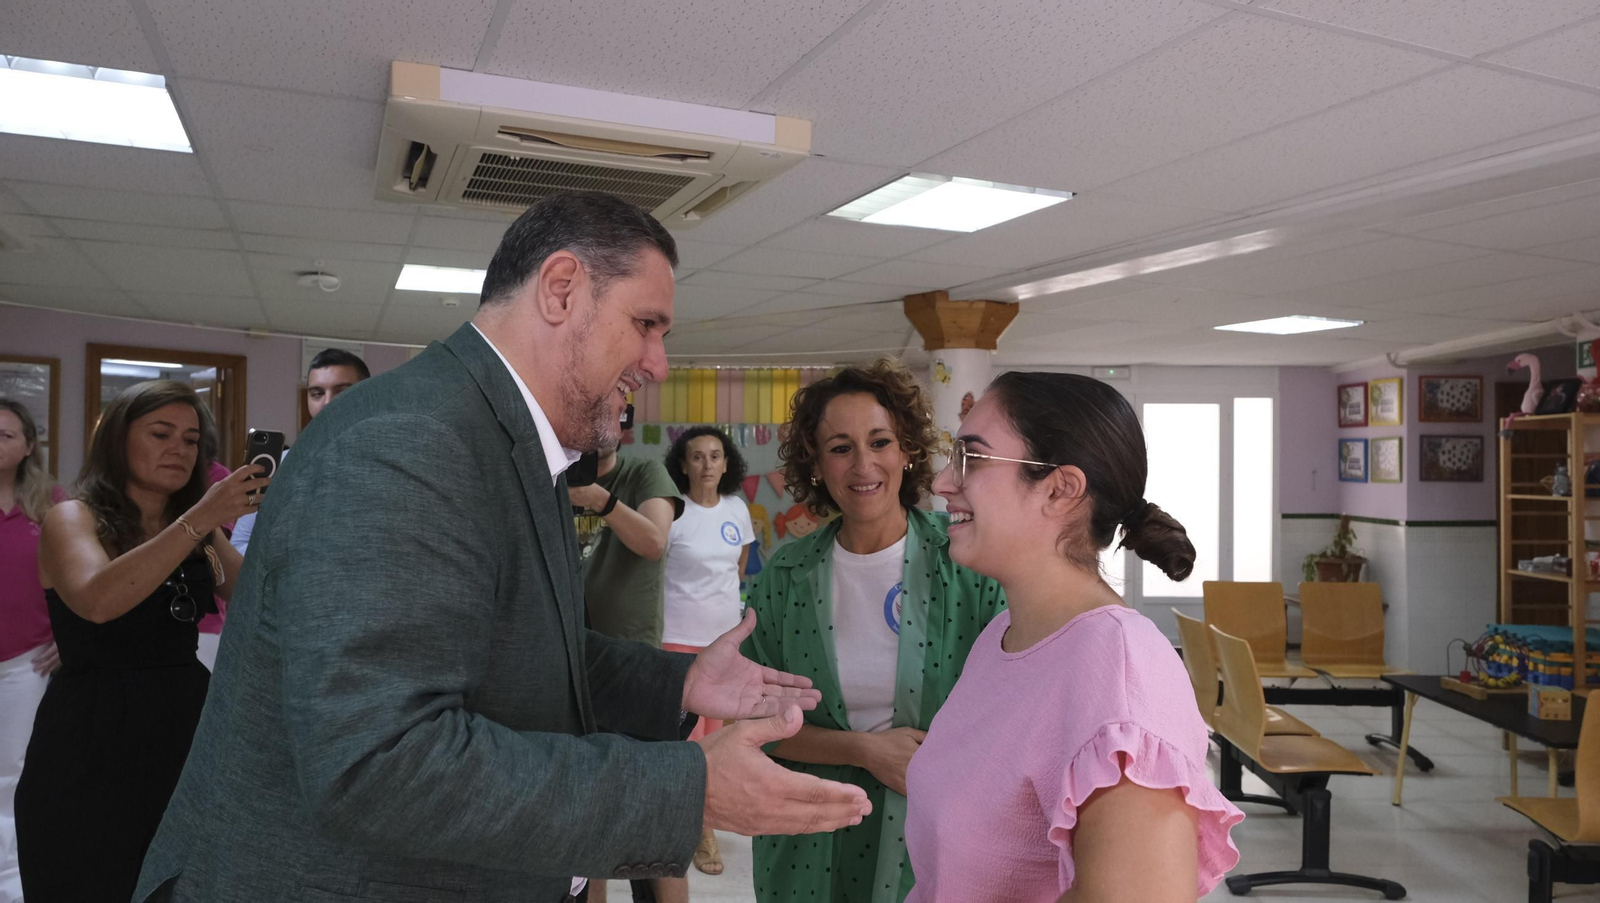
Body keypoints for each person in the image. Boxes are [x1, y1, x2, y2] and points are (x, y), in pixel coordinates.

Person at [133, 191, 870, 903]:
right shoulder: (409, 442)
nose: (658, 363)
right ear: (560, 289)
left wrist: (677, 684)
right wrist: (687, 786)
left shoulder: (513, 441)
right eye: (647, 324)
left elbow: (522, 644)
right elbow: (380, 762)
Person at [904, 372, 1242, 903]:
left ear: (1060, 489)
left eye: (971, 458)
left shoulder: (1121, 670)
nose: (943, 482)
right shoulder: (1005, 635)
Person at [741, 360, 1007, 903]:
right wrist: (865, 751)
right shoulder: (787, 577)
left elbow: (1016, 706)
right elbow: (760, 728)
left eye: (880, 441)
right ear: (816, 464)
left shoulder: (968, 562)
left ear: (907, 450)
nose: (863, 464)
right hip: (808, 842)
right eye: (840, 447)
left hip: (940, 837)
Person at [16, 380, 264, 902]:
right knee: (89, 877)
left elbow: (250, 596)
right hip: (92, 734)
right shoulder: (73, 517)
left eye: (192, 439)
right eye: (161, 433)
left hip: (183, 726)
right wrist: (199, 519)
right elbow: (98, 601)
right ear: (118, 439)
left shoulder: (199, 530)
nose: (180, 448)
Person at [568, 439, 682, 903]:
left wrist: (601, 500)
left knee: (655, 810)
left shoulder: (645, 473)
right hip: (569, 661)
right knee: (587, 811)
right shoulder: (553, 471)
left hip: (634, 658)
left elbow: (655, 543)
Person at [661, 426, 755, 878]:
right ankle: (699, 829)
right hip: (678, 639)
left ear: (726, 462)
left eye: (715, 456)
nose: (706, 465)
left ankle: (711, 816)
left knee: (720, 738)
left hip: (724, 641)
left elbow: (738, 564)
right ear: (683, 464)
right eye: (697, 457)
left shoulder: (738, 508)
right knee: (689, 745)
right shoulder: (672, 513)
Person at [0, 400, 62, 903]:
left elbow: (79, 579)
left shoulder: (49, 503)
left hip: (25, 663)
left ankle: (13, 886)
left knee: (14, 777)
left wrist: (69, 636)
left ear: (27, 446)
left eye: (5, 434)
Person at [229, 347, 369, 557]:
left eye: (342, 390)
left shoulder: (390, 465)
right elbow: (239, 544)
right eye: (317, 393)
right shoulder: (279, 466)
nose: (327, 402)